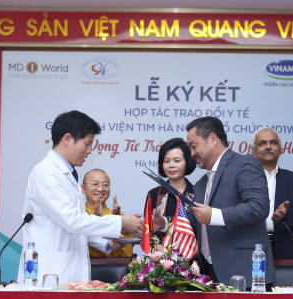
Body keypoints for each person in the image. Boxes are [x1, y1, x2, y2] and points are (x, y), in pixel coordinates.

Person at [18, 110, 144, 285]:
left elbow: (76, 226)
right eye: (87, 144)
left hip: (67, 273)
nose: (90, 151)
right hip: (50, 275)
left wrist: (107, 244)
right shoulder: (46, 173)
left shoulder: (67, 174)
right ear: (68, 139)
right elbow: (72, 221)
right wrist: (121, 222)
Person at [186, 116, 274, 287]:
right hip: (210, 275)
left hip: (245, 275)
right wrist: (164, 224)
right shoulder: (201, 184)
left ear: (213, 139)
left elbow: (259, 207)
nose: (192, 153)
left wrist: (214, 216)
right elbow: (192, 219)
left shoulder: (245, 164)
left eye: (194, 146)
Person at [251, 128, 293, 259]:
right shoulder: (243, 179)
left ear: (280, 149)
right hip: (252, 250)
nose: (268, 147)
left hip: (288, 251)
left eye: (273, 142)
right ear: (253, 151)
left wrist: (286, 215)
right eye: (262, 143)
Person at [145, 138, 196, 243]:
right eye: (166, 161)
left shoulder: (197, 193)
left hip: (191, 252)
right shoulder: (154, 194)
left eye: (177, 160)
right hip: (158, 252)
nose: (171, 165)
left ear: (187, 162)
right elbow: (148, 229)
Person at [82, 168, 133, 258]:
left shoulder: (119, 217)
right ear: (83, 188)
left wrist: (118, 223)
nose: (101, 189)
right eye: (95, 184)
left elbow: (127, 252)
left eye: (105, 185)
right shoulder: (78, 214)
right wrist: (97, 220)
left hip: (115, 266)